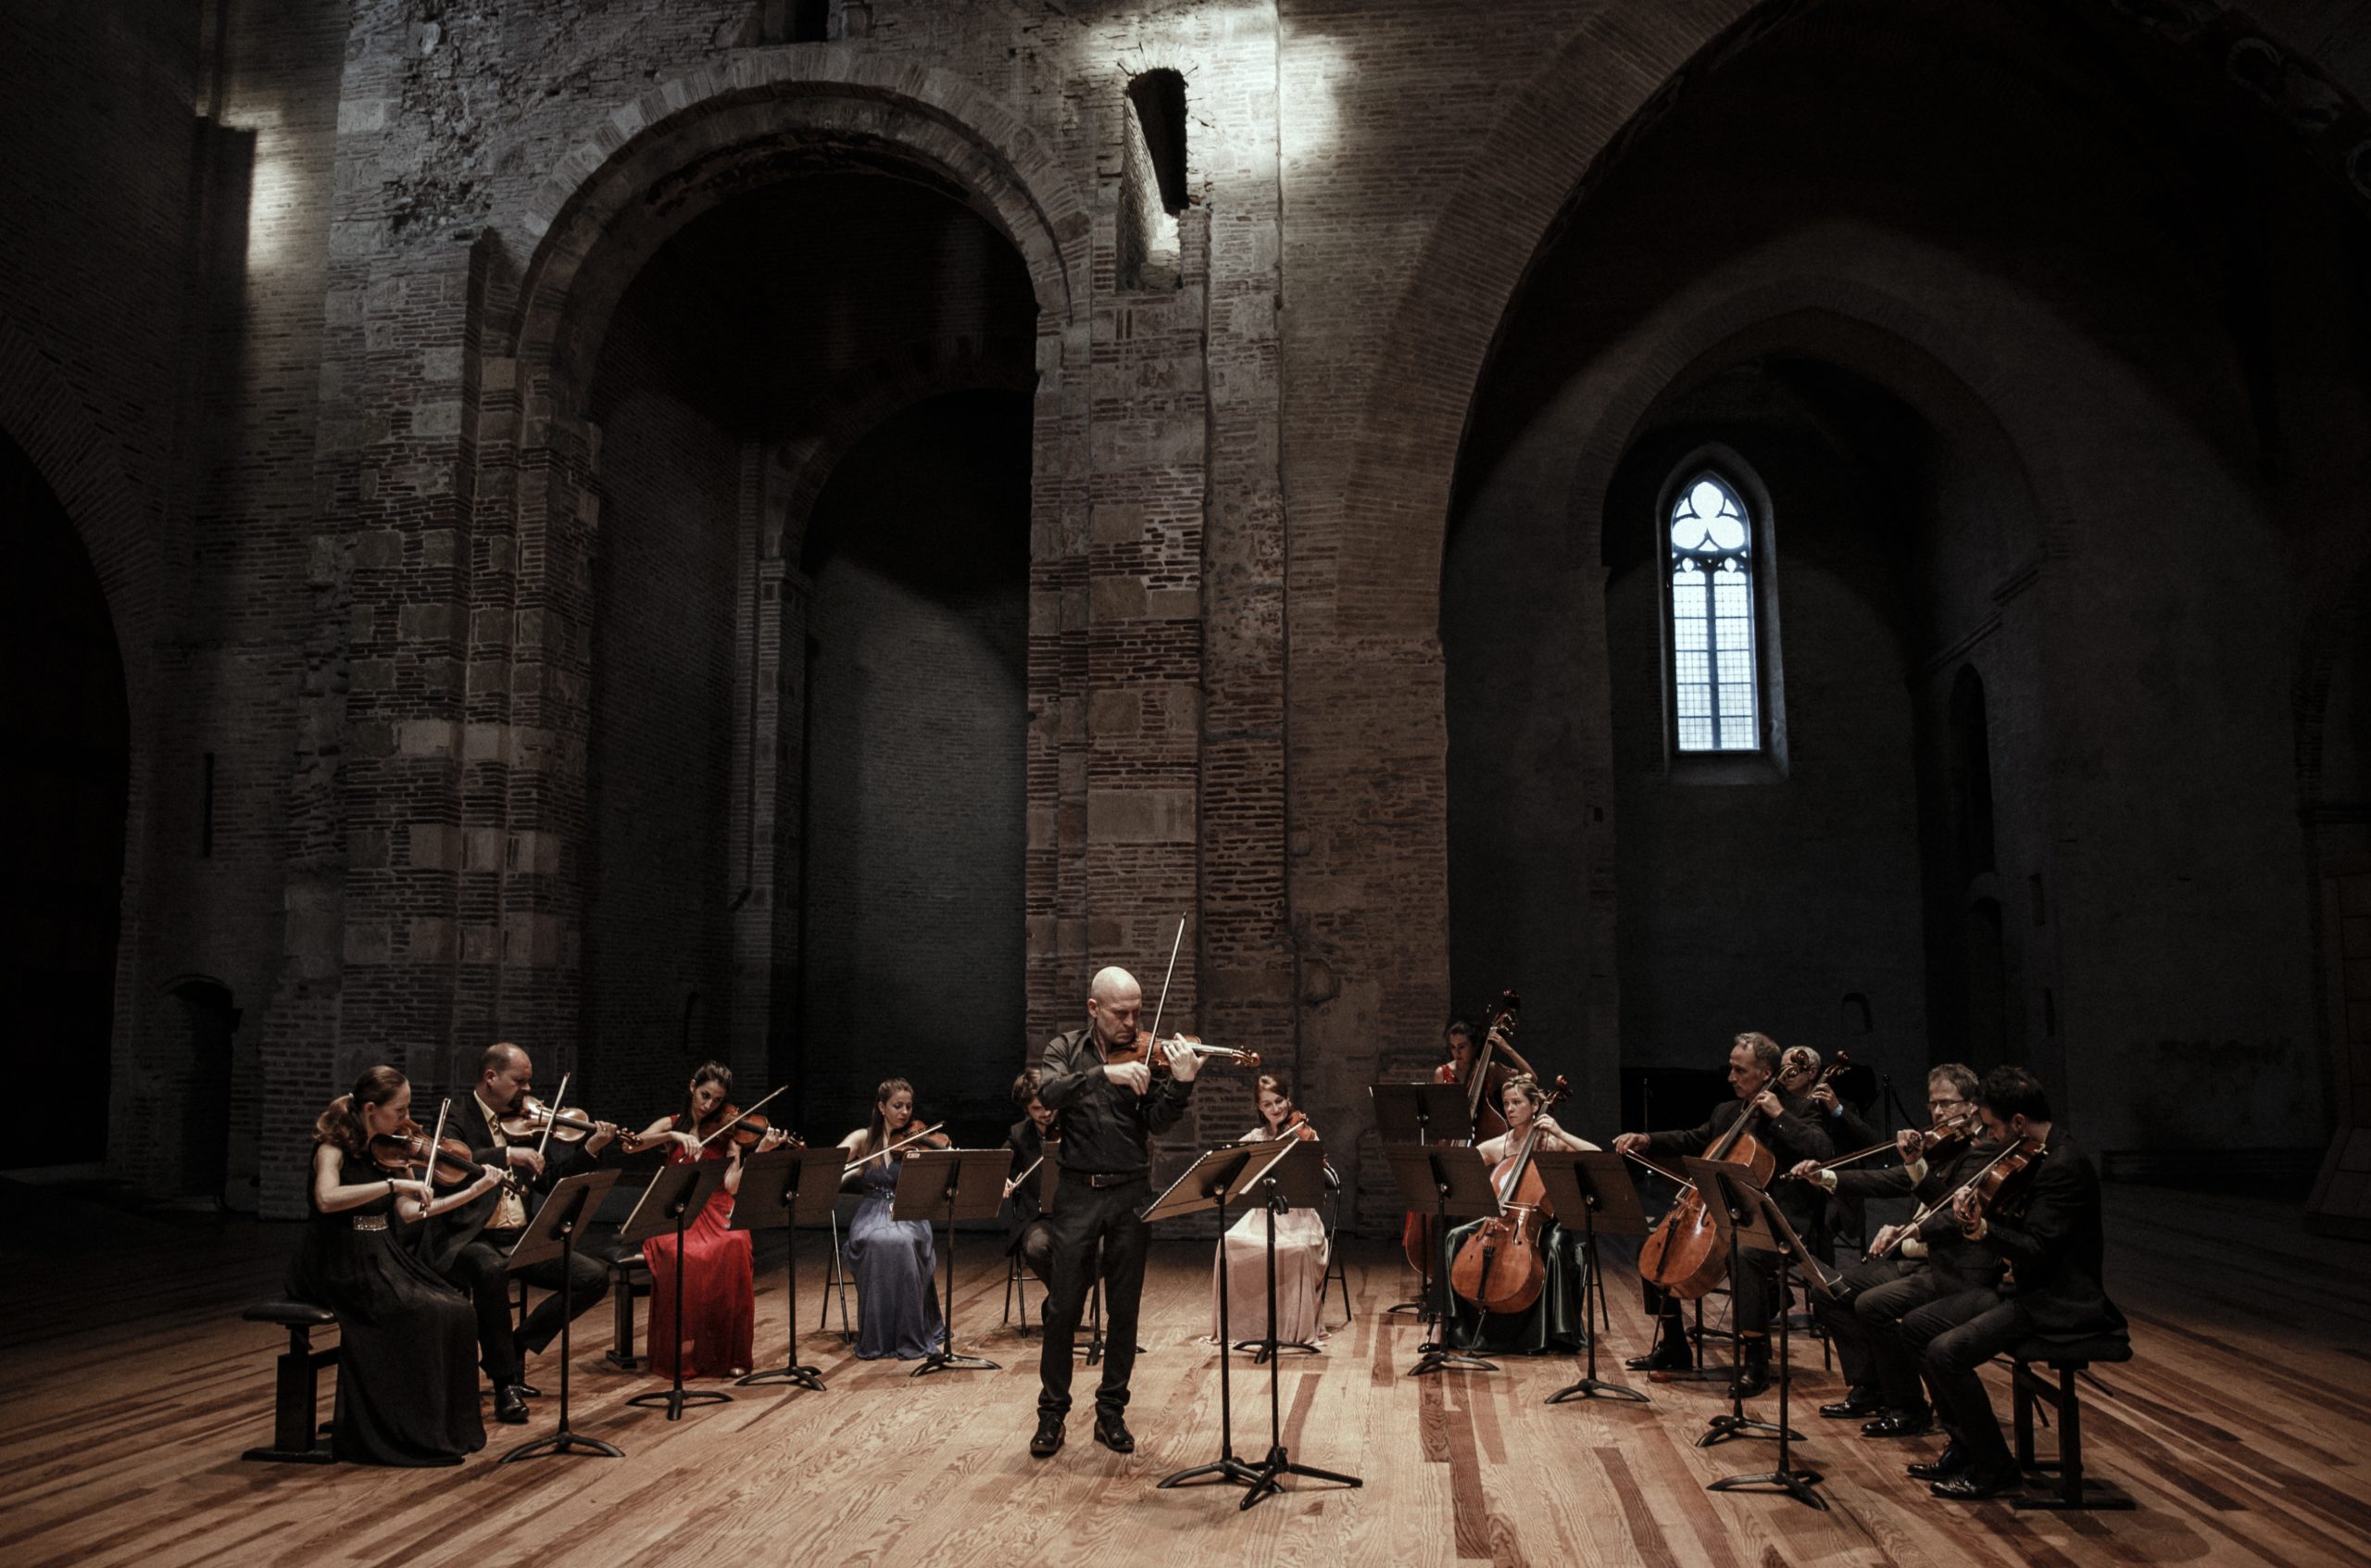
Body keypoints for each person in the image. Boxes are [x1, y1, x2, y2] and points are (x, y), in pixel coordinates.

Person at [1894, 1065, 2125, 1499]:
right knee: (1916, 1327)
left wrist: (1983, 1232)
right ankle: (1966, 1448)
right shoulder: (2033, 1155)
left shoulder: (2061, 1166)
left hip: (2058, 1300)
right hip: (2023, 1290)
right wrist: (1971, 1211)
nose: (1990, 1136)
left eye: (1994, 1126)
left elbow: (2038, 1248)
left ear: (2019, 1122)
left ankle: (1995, 1470)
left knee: (1946, 1353)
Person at [288, 1066, 506, 1464]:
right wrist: (393, 1186)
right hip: (337, 1262)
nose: (407, 1120)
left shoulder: (392, 1152)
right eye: (399, 1110)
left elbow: (412, 1212)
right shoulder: (332, 1148)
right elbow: (326, 1198)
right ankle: (392, 1430)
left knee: (457, 1310)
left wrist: (474, 1190)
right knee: (420, 1313)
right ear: (371, 1109)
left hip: (381, 1255)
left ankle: (435, 1428)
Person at [1030, 965, 1203, 1460]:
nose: (1132, 1022)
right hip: (1078, 1194)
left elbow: (1156, 1121)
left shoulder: (1147, 1057)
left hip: (1130, 1193)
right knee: (1063, 1308)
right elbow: (1049, 1092)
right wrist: (1104, 1073)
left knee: (1123, 1308)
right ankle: (1052, 1415)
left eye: (1137, 1012)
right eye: (1121, 1013)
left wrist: (1182, 1085)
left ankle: (1111, 1413)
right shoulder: (1064, 1049)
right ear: (1094, 1009)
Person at [1612, 1031, 1833, 1396]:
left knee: (1744, 1254)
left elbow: (1821, 1148)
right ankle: (1674, 1346)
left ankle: (1756, 1360)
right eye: (1731, 1069)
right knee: (1654, 1247)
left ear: (1766, 1073)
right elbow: (1694, 1139)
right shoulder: (1728, 1112)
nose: (1731, 1077)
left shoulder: (1799, 1109)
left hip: (1777, 1223)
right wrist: (1648, 1139)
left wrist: (1778, 1115)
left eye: (1740, 1070)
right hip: (1724, 1216)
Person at [1784, 1062, 1998, 1424]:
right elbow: (1891, 1180)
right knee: (1828, 1290)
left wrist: (1910, 1229)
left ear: (1972, 1106)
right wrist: (1827, 1177)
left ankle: (1908, 1404)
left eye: (1947, 1103)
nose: (1938, 1112)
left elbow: (1948, 1208)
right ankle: (1872, 1386)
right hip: (1917, 1258)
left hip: (1952, 1266)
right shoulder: (1942, 1145)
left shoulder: (1983, 1151)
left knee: (1873, 1304)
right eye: (1933, 1104)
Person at [420, 1041, 621, 1424]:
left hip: (517, 1237)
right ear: (491, 1077)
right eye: (520, 1082)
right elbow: (448, 1162)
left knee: (592, 1277)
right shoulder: (456, 1118)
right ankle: (504, 1384)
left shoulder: (523, 1123)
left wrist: (591, 1149)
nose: (527, 1092)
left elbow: (548, 1180)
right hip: (468, 1238)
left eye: (529, 1083)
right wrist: (505, 1155)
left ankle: (514, 1347)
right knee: (490, 1270)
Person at [631, 1061, 793, 1379]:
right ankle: (684, 1352)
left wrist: (759, 1150)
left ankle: (724, 1353)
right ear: (692, 1086)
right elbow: (631, 1144)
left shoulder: (727, 1134)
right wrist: (674, 1134)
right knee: (683, 1254)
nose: (709, 1106)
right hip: (676, 1211)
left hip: (717, 1209)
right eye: (705, 1095)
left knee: (734, 1244)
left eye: (717, 1101)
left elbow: (732, 1184)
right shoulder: (672, 1124)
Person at [1440, 1075, 1595, 1355]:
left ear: (1535, 1105)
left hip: (1543, 1221)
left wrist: (1561, 1133)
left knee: (1555, 1247)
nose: (1509, 1109)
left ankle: (1555, 1331)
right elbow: (1461, 1167)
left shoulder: (1550, 1142)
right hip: (1502, 1220)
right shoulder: (1500, 1144)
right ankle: (1451, 1326)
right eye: (1506, 1103)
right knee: (1454, 1236)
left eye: (1517, 1102)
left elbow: (1596, 1155)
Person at [1399, 1015, 1537, 1282]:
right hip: (1449, 1144)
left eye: (1462, 1046)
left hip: (1480, 1150)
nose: (1457, 1052)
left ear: (1475, 1046)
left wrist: (1505, 1047)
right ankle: (1440, 1275)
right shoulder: (1443, 1073)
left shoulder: (1492, 1069)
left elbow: (1530, 1077)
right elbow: (1438, 1117)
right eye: (1453, 1047)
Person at [1211, 1073, 1331, 1348]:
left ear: (1288, 1099)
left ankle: (1291, 1328)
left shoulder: (1304, 1132)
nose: (1276, 1109)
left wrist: (1309, 1144)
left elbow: (1320, 1176)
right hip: (1261, 1216)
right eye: (1268, 1105)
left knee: (1298, 1250)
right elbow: (1231, 1165)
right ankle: (1249, 1326)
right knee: (1227, 1244)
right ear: (1259, 1108)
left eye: (1279, 1101)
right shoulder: (1255, 1137)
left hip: (1299, 1217)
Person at [835, 1077, 952, 1361]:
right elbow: (834, 1160)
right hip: (872, 1211)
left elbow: (945, 1171)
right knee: (876, 1242)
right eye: (897, 1106)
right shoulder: (864, 1139)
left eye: (908, 1106)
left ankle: (909, 1333)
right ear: (881, 1107)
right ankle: (878, 1335)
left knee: (902, 1242)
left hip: (908, 1212)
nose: (904, 1112)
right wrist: (842, 1165)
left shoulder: (919, 1139)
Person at [1002, 1070, 1056, 1288]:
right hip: (1038, 1218)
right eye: (1037, 1108)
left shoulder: (1074, 1128)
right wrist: (1002, 1179)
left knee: (1105, 1251)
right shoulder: (1019, 1135)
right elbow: (997, 1165)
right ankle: (1066, 1298)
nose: (1047, 1113)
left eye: (1049, 1104)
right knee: (1036, 1249)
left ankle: (1064, 1301)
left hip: (1077, 1215)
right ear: (1026, 1109)